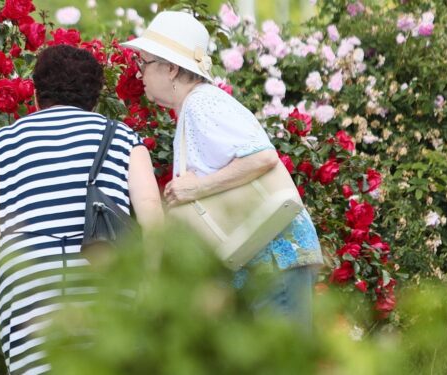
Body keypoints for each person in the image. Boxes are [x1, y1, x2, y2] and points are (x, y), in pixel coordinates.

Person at [0, 44, 163, 375]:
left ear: (37, 93)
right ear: (95, 97)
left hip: (32, 279)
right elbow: (151, 210)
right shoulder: (124, 137)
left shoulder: (1, 142)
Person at [121, 11, 324, 327]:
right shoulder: (196, 105)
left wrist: (196, 188)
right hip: (263, 259)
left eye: (144, 63)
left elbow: (262, 158)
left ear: (172, 68)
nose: (139, 74)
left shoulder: (203, 104)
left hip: (274, 258)